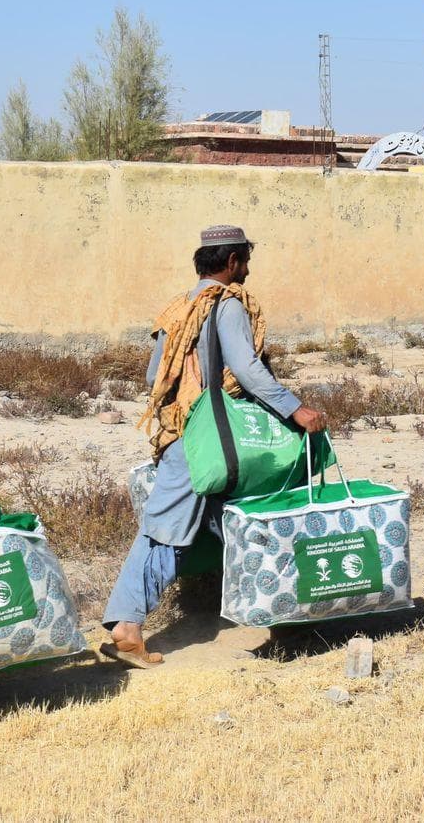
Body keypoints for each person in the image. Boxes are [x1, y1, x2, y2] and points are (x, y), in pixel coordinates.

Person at [101, 225, 327, 668]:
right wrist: (294, 409)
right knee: (171, 532)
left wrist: (188, 391)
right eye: (245, 262)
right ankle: (127, 629)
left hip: (180, 430)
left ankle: (282, 615)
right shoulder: (226, 305)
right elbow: (246, 368)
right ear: (230, 263)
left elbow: (154, 377)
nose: (247, 270)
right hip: (207, 442)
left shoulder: (179, 308)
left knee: (225, 522)